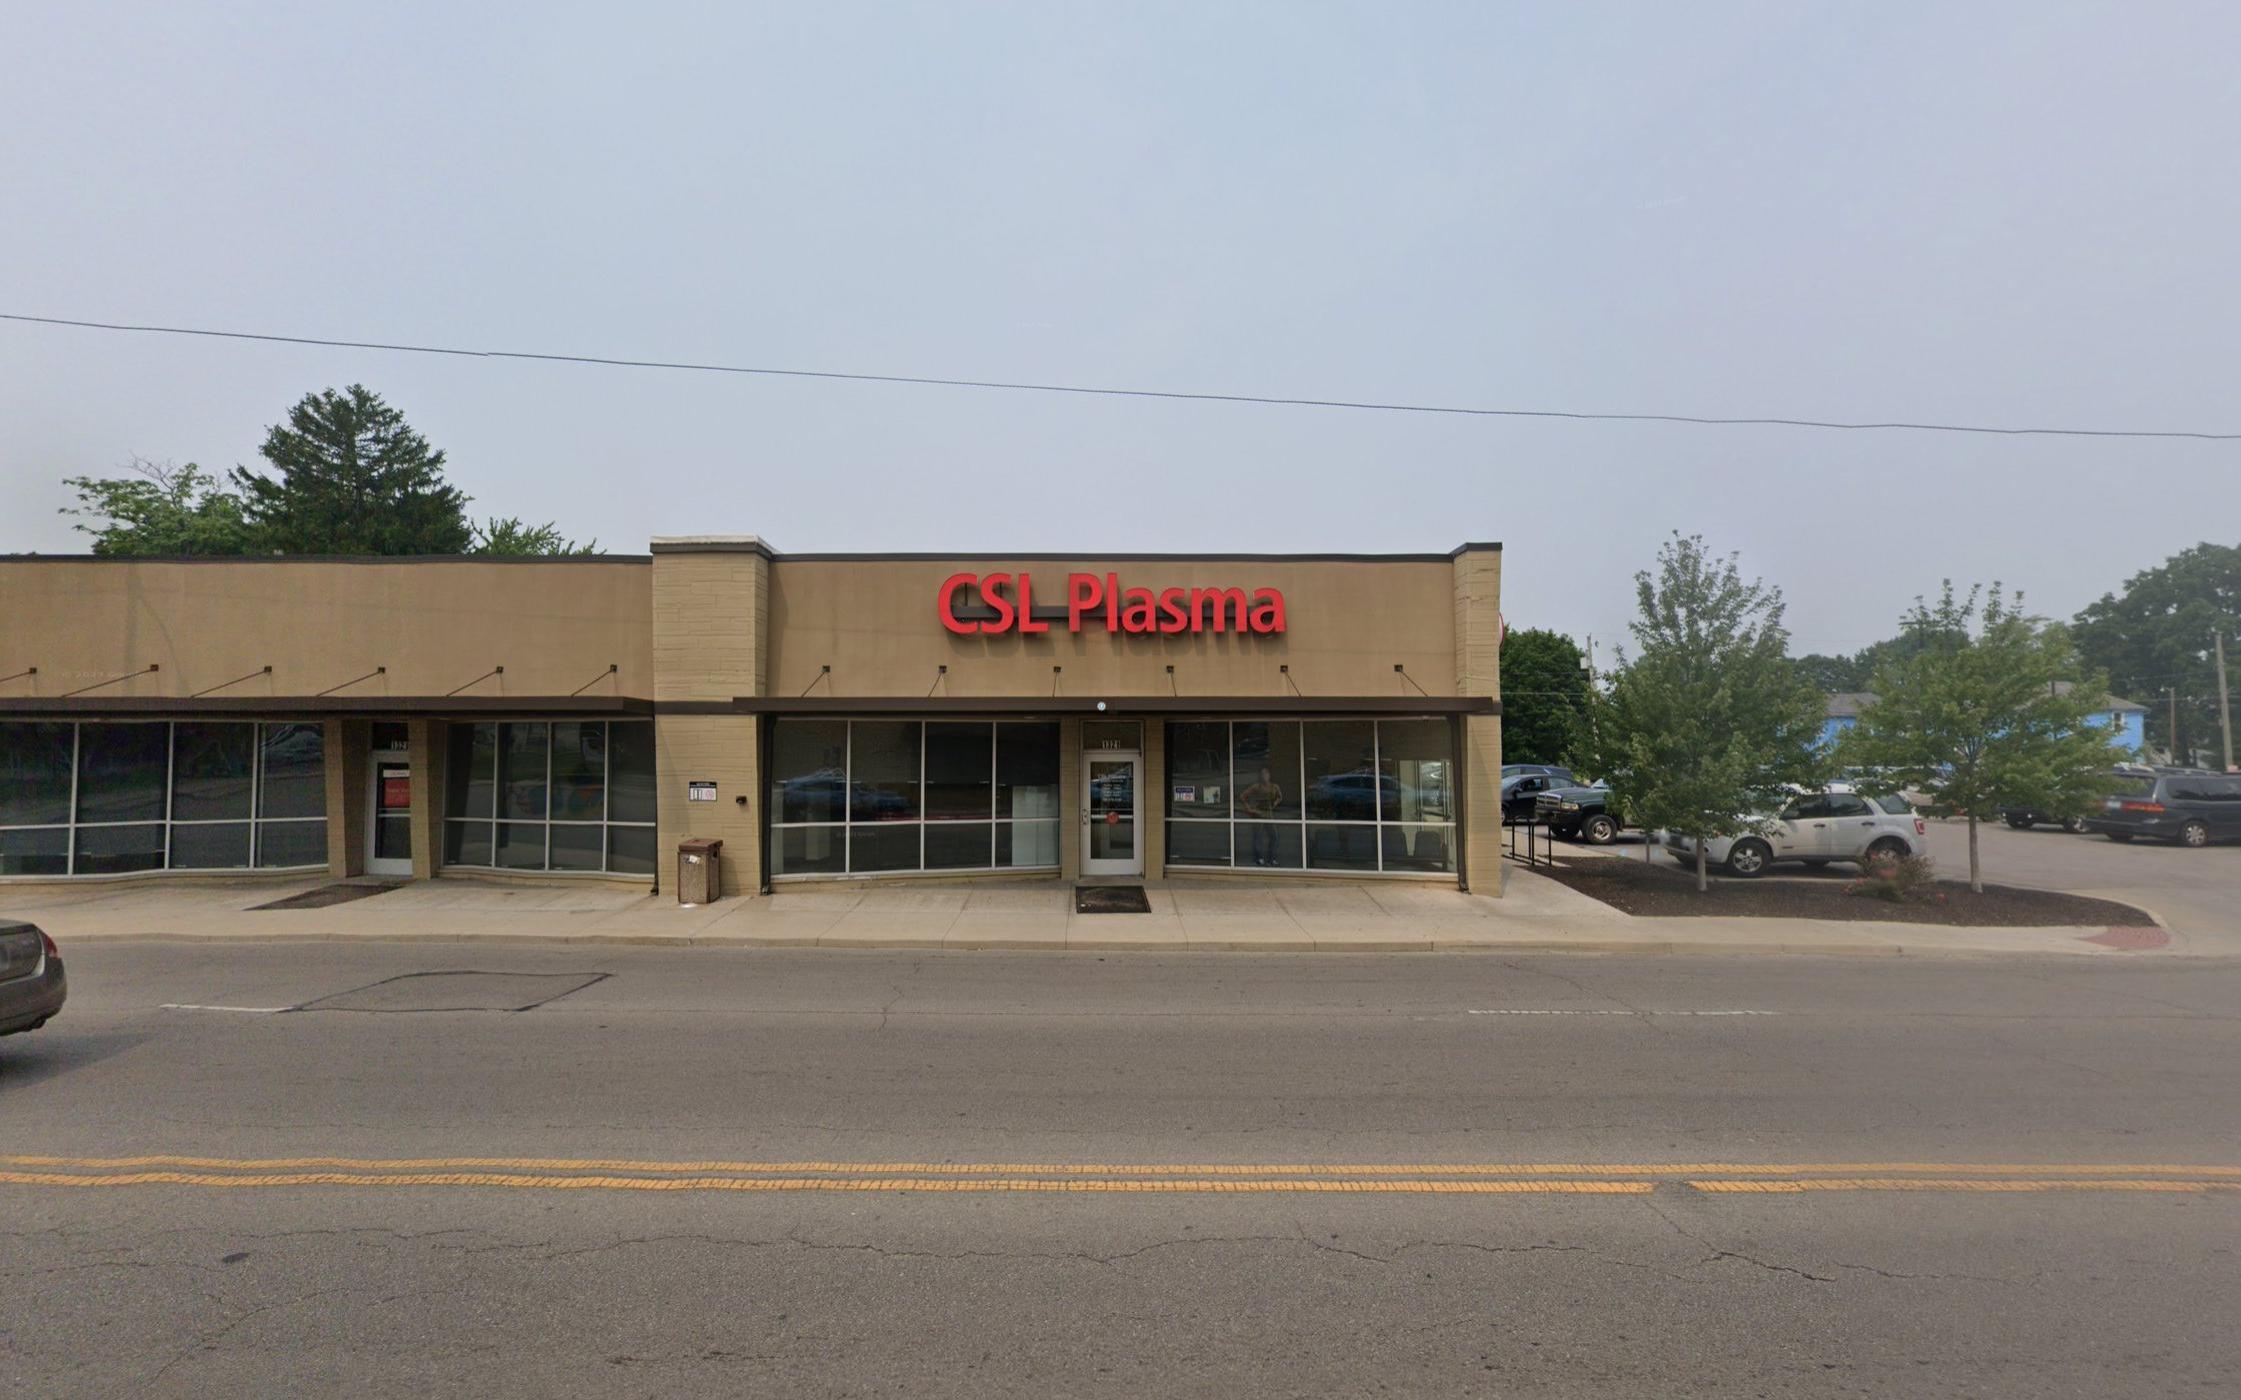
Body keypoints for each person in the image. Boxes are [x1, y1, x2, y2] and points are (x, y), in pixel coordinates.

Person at [1240, 766, 1284, 866]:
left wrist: (1275, 803)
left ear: (1269, 775)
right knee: (1258, 837)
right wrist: (1249, 808)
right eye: (1262, 774)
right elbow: (1242, 796)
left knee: (1274, 836)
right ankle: (1258, 858)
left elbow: (1280, 797)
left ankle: (1271, 858)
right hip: (1258, 813)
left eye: (1266, 774)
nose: (1264, 776)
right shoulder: (1257, 787)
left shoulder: (1274, 787)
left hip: (1269, 813)